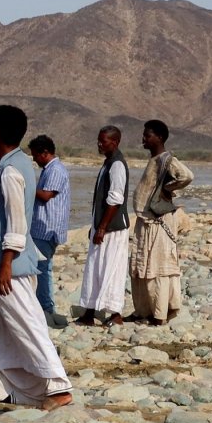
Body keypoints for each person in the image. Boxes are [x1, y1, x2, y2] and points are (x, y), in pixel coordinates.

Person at [0, 105, 73, 413]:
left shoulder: (13, 171)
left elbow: (17, 223)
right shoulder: (13, 162)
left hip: (8, 266)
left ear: (1, 131)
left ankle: (58, 385)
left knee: (27, 322)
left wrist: (6, 264)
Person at [130, 119, 196, 323]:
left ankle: (160, 314)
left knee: (157, 266)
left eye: (147, 135)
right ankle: (144, 311)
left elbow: (186, 175)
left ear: (159, 137)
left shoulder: (166, 160)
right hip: (147, 219)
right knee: (144, 264)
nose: (144, 139)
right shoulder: (155, 160)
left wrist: (167, 189)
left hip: (159, 221)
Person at [76, 125, 131, 325]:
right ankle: (89, 312)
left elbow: (115, 198)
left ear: (114, 142)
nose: (99, 144)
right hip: (103, 226)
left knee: (112, 268)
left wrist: (102, 227)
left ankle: (115, 314)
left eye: (103, 141)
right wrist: (96, 225)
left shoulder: (117, 165)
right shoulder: (108, 163)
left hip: (113, 228)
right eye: (99, 140)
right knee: (94, 266)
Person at [27, 134, 72, 323]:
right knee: (42, 267)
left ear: (44, 153)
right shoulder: (50, 169)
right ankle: (42, 306)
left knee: (42, 268)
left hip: (46, 229)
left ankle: (45, 307)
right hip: (43, 228)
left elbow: (46, 196)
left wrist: (26, 185)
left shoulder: (55, 170)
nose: (34, 159)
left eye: (35, 155)